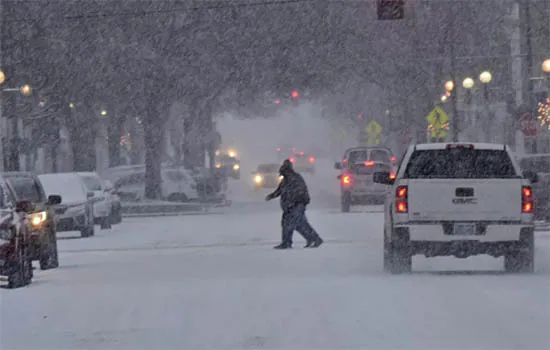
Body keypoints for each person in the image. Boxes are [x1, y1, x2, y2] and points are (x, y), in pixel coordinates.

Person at [265, 159, 323, 249]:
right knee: (299, 225)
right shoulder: (285, 181)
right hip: (290, 207)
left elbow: (301, 192)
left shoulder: (295, 179)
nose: (283, 175)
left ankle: (287, 242)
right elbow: (279, 191)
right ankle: (313, 239)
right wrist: (271, 196)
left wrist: (296, 203)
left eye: (283, 173)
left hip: (296, 206)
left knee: (290, 224)